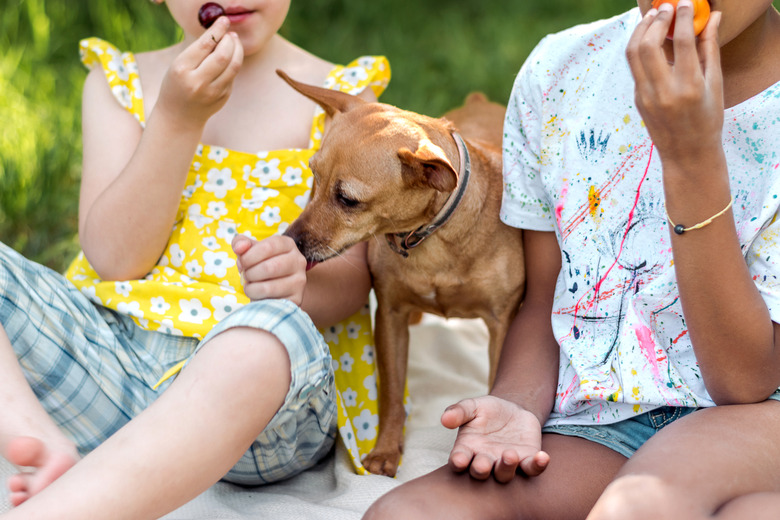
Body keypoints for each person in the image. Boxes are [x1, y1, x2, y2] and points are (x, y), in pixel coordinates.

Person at [364, 1, 780, 518]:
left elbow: (746, 380)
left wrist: (691, 160)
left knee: (635, 509)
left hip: (758, 411)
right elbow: (547, 299)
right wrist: (515, 402)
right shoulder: (560, 71)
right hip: (601, 423)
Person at [0, 0, 390, 518]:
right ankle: (35, 436)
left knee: (269, 333)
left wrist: (298, 283)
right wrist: (176, 120)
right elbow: (116, 260)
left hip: (254, 414)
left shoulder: (340, 100)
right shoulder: (122, 80)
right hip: (109, 368)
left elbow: (355, 283)